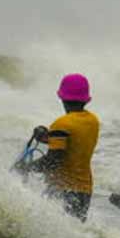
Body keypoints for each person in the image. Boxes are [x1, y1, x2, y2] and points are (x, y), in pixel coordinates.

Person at [16, 73, 101, 221]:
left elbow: (55, 160)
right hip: (85, 189)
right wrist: (46, 138)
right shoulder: (93, 121)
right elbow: (74, 143)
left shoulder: (61, 124)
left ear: (62, 97)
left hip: (63, 190)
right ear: (86, 99)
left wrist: (27, 167)